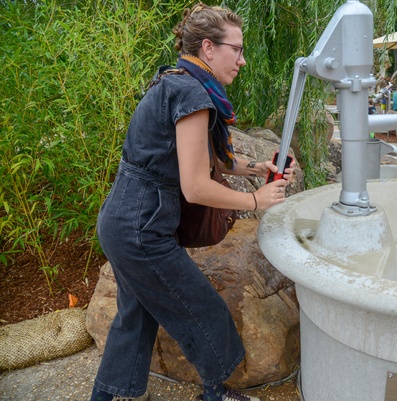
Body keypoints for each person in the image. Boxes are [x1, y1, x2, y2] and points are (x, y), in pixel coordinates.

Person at [90, 4, 295, 401]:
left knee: (135, 319)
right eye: (236, 49)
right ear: (208, 47)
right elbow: (196, 187)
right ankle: (214, 395)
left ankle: (105, 396)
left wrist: (257, 167)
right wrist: (255, 199)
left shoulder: (177, 81)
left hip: (126, 221)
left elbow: (213, 159)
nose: (243, 59)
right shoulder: (190, 91)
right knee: (204, 311)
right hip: (140, 229)